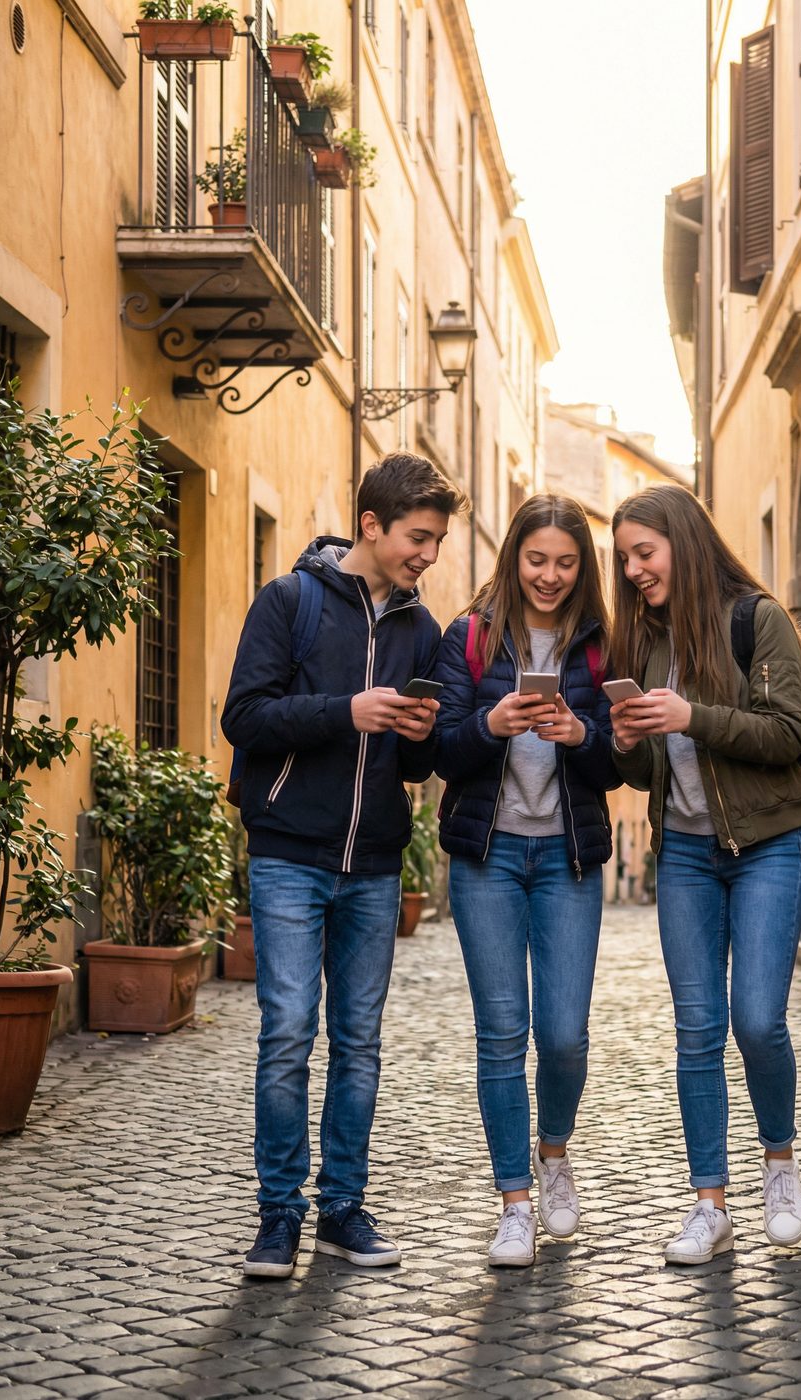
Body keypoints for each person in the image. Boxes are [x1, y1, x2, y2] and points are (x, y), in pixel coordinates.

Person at [221, 452, 468, 1279]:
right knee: (288, 1032)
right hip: (289, 854)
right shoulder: (288, 602)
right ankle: (278, 1216)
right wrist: (344, 712)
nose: (428, 554)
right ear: (371, 525)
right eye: (417, 538)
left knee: (359, 1042)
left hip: (374, 864)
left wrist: (420, 737)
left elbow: (413, 763)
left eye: (436, 541)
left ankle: (342, 1209)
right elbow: (243, 718)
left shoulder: (421, 631)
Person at [609, 484, 801, 1266]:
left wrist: (690, 716)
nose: (633, 570)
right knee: (696, 1031)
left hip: (765, 846)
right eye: (625, 558)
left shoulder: (757, 619)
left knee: (756, 1021)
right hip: (686, 856)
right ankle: (709, 1204)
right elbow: (641, 774)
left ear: (683, 544)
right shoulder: (646, 640)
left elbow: (785, 735)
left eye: (644, 553)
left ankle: (779, 1165)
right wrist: (627, 739)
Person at [434, 494, 618, 1266]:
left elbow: (621, 763)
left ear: (582, 568)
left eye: (565, 563)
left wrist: (581, 734)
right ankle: (514, 1203)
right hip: (489, 860)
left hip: (567, 861)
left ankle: (554, 1153)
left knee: (565, 1035)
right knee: (502, 1033)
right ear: (513, 557)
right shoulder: (470, 637)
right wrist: (487, 726)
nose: (548, 575)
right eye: (536, 559)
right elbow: (439, 749)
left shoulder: (601, 645)